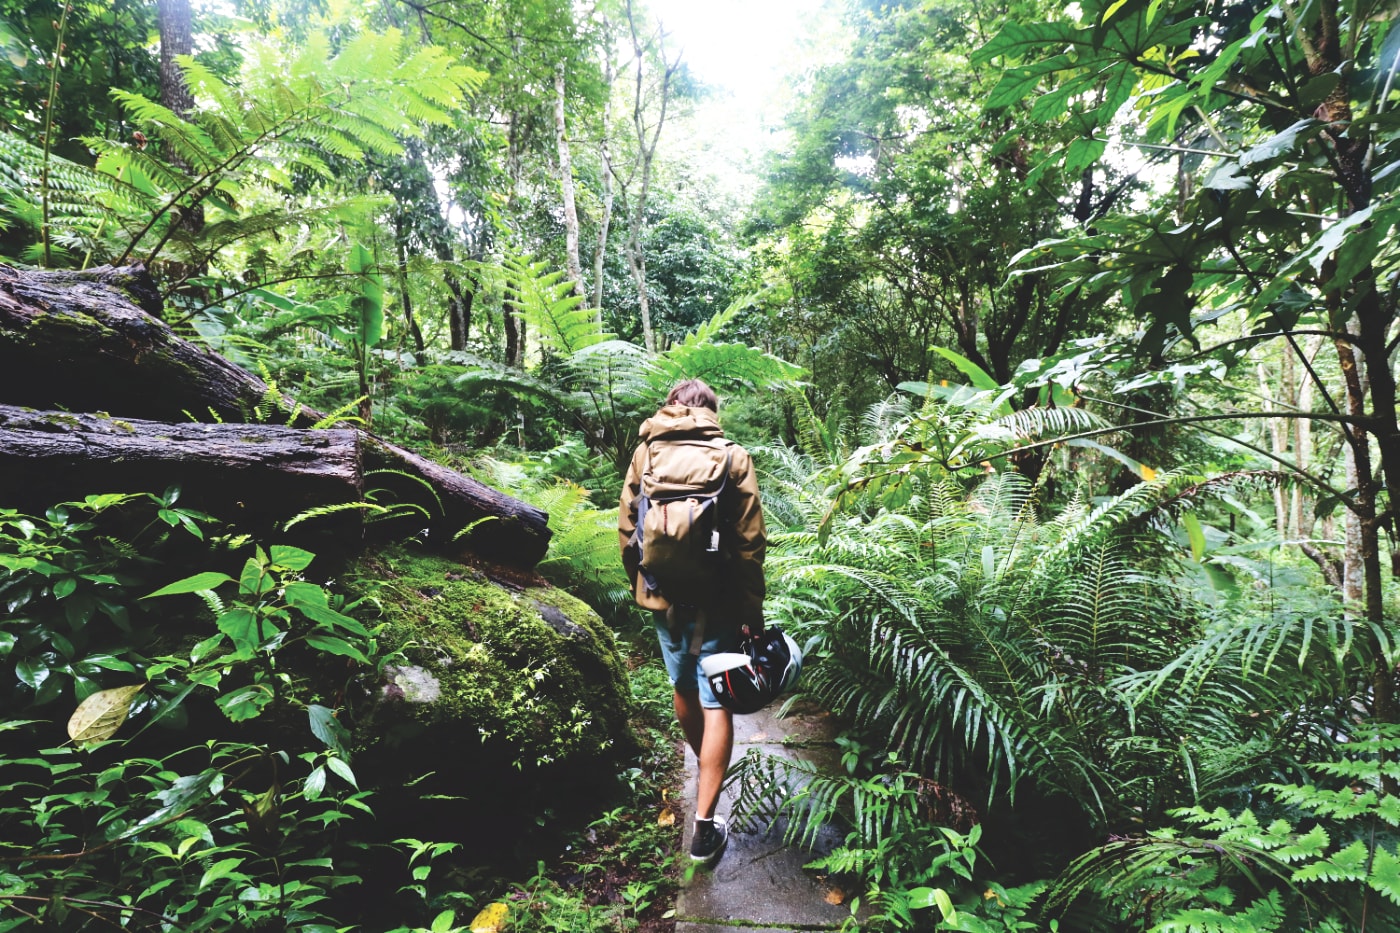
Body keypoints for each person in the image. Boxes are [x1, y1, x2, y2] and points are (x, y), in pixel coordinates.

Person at [619, 379, 766, 865]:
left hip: (665, 596)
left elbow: (627, 528)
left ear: (672, 406)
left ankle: (706, 768)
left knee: (684, 687)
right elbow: (749, 546)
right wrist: (752, 612)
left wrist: (646, 585)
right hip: (720, 599)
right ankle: (705, 822)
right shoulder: (732, 457)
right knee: (716, 696)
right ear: (710, 412)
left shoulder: (647, 454)